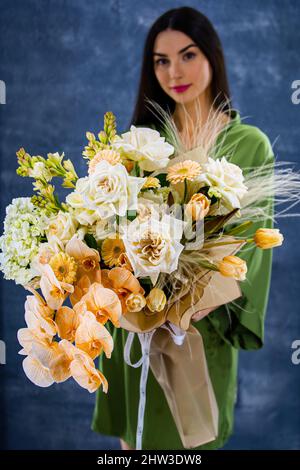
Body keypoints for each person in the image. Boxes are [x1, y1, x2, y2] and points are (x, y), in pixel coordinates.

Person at [91, 6, 274, 450]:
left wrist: (182, 306)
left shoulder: (249, 145)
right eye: (161, 60)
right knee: (132, 443)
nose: (175, 71)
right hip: (135, 324)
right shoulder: (141, 143)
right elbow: (109, 231)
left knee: (190, 441)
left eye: (188, 55)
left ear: (212, 56)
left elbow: (250, 249)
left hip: (196, 331)